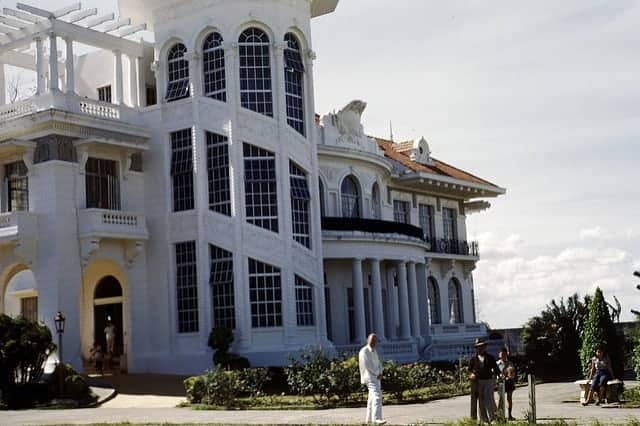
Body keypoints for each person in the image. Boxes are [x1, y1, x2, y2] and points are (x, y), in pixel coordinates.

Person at [468, 338, 500, 423]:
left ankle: (494, 418)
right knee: (481, 401)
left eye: (482, 346)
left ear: (485, 347)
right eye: (479, 347)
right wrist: (471, 374)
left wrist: (499, 375)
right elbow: (469, 370)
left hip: (488, 380)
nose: (480, 348)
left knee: (489, 398)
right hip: (478, 382)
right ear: (476, 348)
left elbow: (496, 368)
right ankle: (484, 420)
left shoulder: (490, 357)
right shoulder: (473, 359)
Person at [359, 333, 386, 425]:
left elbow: (378, 363)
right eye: (372, 340)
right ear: (368, 340)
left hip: (376, 376)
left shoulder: (374, 351)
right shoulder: (364, 351)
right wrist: (378, 373)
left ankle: (369, 419)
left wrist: (381, 372)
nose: (374, 342)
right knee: (377, 396)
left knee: (371, 398)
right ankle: (376, 418)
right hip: (369, 377)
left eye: (375, 341)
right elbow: (368, 366)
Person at [497, 347, 516, 420]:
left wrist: (510, 377)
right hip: (501, 383)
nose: (502, 355)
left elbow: (513, 372)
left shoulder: (510, 363)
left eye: (504, 354)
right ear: (499, 355)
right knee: (500, 399)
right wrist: (499, 377)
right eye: (501, 354)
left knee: (509, 398)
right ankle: (500, 416)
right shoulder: (497, 363)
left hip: (509, 382)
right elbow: (494, 372)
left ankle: (510, 415)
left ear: (506, 355)